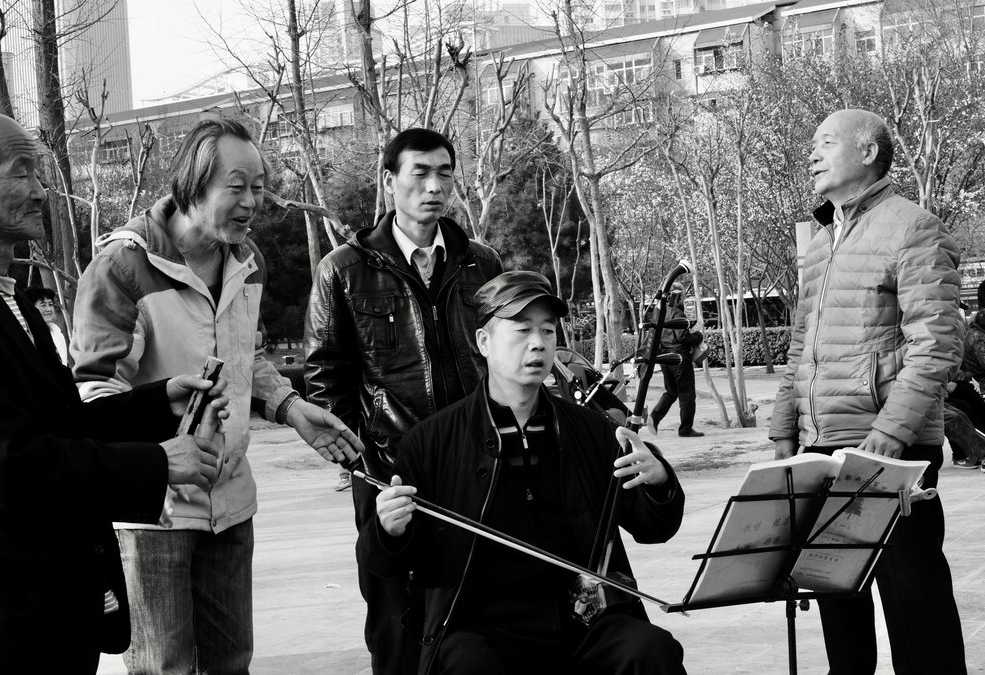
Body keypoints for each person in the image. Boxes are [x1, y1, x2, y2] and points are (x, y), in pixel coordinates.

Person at [0, 111, 225, 675]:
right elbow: (7, 468)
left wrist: (157, 403)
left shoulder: (7, 299)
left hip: (48, 609)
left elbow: (58, 424)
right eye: (23, 172)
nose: (42, 190)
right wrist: (158, 465)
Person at [71, 118, 364, 674]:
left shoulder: (246, 260)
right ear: (193, 183)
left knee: (232, 663)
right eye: (237, 186)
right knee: (165, 668)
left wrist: (290, 406)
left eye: (259, 186)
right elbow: (93, 393)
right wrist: (163, 454)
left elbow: (242, 358)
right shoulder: (122, 266)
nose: (253, 201)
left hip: (231, 504)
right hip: (154, 513)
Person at [360, 271, 687, 675]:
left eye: (547, 331)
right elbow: (389, 566)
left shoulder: (592, 430)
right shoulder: (431, 443)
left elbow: (652, 528)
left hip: (585, 619)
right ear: (483, 342)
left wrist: (659, 482)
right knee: (467, 663)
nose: (538, 343)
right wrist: (390, 530)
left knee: (650, 649)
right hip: (484, 627)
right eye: (521, 330)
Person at [768, 109, 967, 674]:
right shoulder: (819, 246)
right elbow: (801, 346)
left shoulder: (913, 227)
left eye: (825, 142)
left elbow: (936, 348)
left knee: (915, 607)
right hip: (822, 446)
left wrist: (887, 436)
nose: (812, 154)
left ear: (869, 152)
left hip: (891, 451)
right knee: (839, 607)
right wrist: (785, 425)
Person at [304, 128, 503, 674]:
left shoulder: (479, 263)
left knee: (474, 617)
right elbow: (326, 375)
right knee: (396, 619)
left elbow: (504, 360)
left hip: (475, 465)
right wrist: (359, 464)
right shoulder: (344, 269)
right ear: (390, 182)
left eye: (444, 174)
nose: (434, 187)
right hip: (390, 473)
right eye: (420, 173)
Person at [647, 281, 705, 437]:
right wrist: (699, 336)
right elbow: (682, 336)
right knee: (687, 395)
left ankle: (654, 417)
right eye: (683, 295)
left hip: (666, 358)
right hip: (680, 358)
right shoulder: (677, 313)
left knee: (671, 392)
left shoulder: (658, 313)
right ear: (678, 296)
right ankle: (685, 428)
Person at [25, 286, 69, 364]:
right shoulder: (28, 334)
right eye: (43, 305)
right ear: (31, 308)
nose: (48, 309)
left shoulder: (56, 331)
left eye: (50, 304)